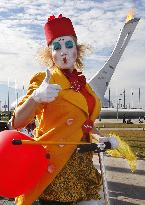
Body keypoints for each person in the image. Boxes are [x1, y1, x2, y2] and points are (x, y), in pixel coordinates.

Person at [12, 14, 118, 205]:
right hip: (56, 168)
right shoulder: (44, 79)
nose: (63, 52)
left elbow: (85, 125)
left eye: (69, 45)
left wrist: (100, 137)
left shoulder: (85, 87)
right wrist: (36, 98)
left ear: (77, 50)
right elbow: (17, 122)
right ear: (50, 54)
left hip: (82, 167)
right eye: (57, 47)